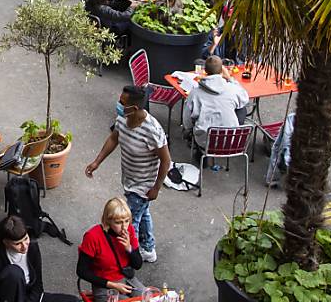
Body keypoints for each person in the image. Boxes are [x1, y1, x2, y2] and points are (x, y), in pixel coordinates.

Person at [85, 85, 171, 263]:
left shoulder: (152, 130)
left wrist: (156, 188)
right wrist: (97, 162)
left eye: (122, 103)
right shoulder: (122, 119)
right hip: (129, 179)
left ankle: (130, 258)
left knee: (129, 224)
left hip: (143, 186)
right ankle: (148, 248)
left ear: (135, 108)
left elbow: (166, 161)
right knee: (143, 213)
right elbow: (114, 139)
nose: (118, 105)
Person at [0, 215, 79, 302]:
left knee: (74, 300)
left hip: (29, 297)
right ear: (5, 242)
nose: (24, 246)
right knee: (14, 272)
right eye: (17, 244)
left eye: (26, 239)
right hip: (7, 298)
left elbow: (38, 285)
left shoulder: (32, 247)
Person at [76, 198, 144, 300]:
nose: (124, 227)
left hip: (126, 278)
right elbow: (81, 271)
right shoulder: (93, 236)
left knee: (148, 297)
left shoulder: (129, 230)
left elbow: (138, 265)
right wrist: (112, 285)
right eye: (118, 223)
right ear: (108, 221)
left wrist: (129, 248)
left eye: (126, 221)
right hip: (104, 284)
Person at [182, 55, 248, 160]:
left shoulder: (195, 93)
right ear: (222, 70)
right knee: (241, 108)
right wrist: (230, 79)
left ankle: (198, 151)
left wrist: (190, 130)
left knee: (192, 120)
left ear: (205, 71)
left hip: (205, 141)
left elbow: (187, 121)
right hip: (231, 140)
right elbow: (245, 98)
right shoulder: (232, 89)